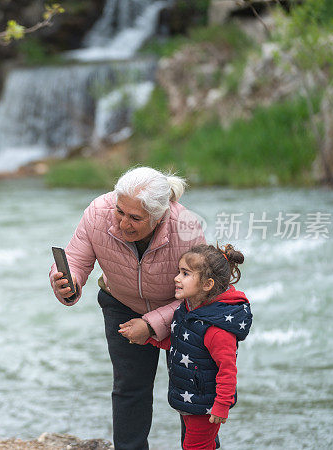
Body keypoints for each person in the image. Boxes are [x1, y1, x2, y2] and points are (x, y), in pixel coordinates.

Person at [50, 166, 206, 449]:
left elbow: (197, 295)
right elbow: (75, 259)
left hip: (183, 312)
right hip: (122, 304)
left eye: (135, 218)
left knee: (191, 391)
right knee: (129, 389)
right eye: (120, 212)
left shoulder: (187, 227)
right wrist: (67, 280)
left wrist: (151, 325)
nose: (123, 223)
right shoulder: (98, 211)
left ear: (159, 217)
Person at [131, 244, 252, 450]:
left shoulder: (217, 329)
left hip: (206, 405)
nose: (176, 278)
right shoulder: (188, 309)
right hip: (192, 399)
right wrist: (149, 339)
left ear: (207, 284)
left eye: (185, 273)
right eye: (179, 271)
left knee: (195, 447)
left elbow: (228, 370)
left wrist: (221, 406)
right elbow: (181, 342)